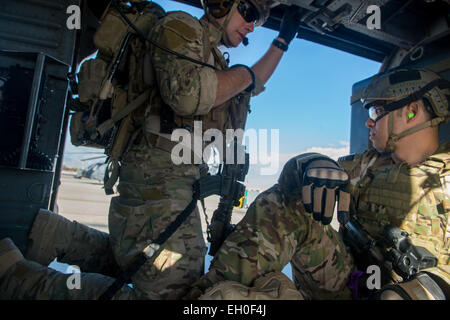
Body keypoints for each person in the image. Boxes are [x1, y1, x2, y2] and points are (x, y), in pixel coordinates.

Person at [0, 0, 301, 299]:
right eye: (249, 12)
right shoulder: (180, 26)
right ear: (221, 4)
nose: (252, 25)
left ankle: (53, 236)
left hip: (176, 182)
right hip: (155, 179)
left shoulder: (214, 61)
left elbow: (250, 84)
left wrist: (282, 42)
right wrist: (244, 75)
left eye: (260, 21)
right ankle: (19, 279)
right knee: (173, 288)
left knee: (149, 265)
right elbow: (188, 94)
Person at [186, 67, 450, 300]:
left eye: (377, 110)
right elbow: (292, 183)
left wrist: (417, 291)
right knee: (287, 205)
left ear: (412, 111)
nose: (369, 121)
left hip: (410, 291)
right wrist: (307, 163)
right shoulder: (368, 164)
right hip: (350, 282)